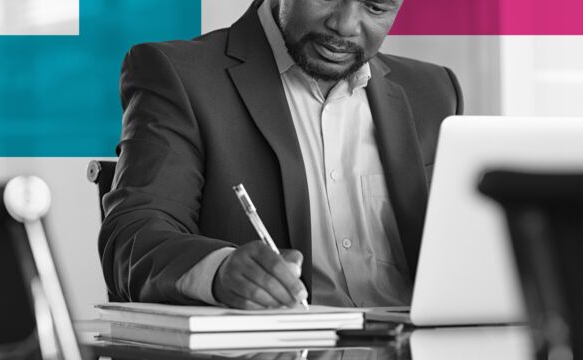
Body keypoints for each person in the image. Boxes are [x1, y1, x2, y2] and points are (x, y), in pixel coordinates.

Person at [99, 0, 463, 309]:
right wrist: (219, 270)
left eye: (376, 7)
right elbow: (133, 237)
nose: (345, 25)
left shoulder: (434, 92)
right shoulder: (179, 75)